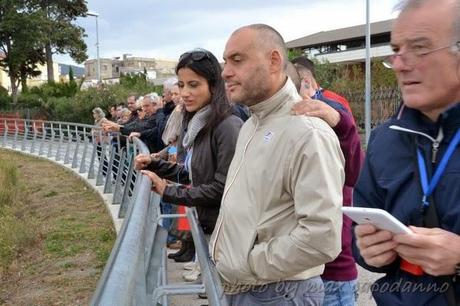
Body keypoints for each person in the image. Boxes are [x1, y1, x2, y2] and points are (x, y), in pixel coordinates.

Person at [210, 24, 345, 306]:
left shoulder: (308, 133)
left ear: (273, 61)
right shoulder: (251, 126)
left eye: (237, 60)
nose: (225, 72)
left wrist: (248, 262)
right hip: (247, 287)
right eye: (225, 62)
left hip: (278, 293)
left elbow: (322, 238)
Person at [352, 0, 460, 305]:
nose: (400, 63)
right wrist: (371, 251)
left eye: (420, 48)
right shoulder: (384, 140)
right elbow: (359, 239)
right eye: (397, 50)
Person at [134, 48, 243, 263]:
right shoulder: (198, 123)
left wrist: (167, 191)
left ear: (213, 86)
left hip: (226, 236)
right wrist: (156, 165)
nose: (184, 93)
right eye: (181, 85)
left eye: (194, 85)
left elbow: (221, 189)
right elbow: (193, 173)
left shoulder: (228, 126)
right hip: (208, 229)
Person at [288, 59, 363, 306]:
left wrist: (341, 124)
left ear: (306, 83)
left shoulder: (329, 109)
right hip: (306, 265)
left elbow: (354, 173)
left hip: (334, 265)